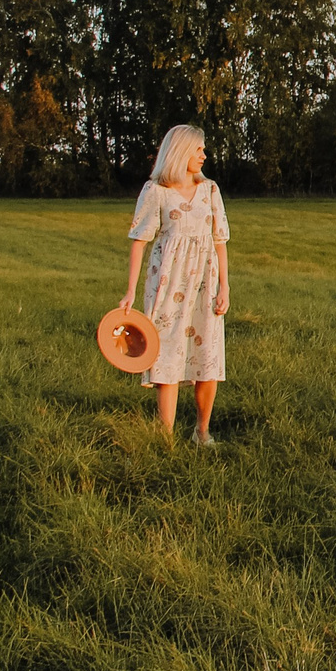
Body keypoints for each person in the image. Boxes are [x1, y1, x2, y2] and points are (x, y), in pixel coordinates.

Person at [121, 124, 231, 444]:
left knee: (207, 357)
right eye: (198, 150)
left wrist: (224, 286)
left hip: (205, 283)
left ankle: (202, 432)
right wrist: (130, 292)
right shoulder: (156, 190)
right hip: (167, 283)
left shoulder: (210, 189)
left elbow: (220, 240)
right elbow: (139, 241)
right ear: (181, 151)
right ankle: (165, 438)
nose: (204, 155)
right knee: (167, 355)